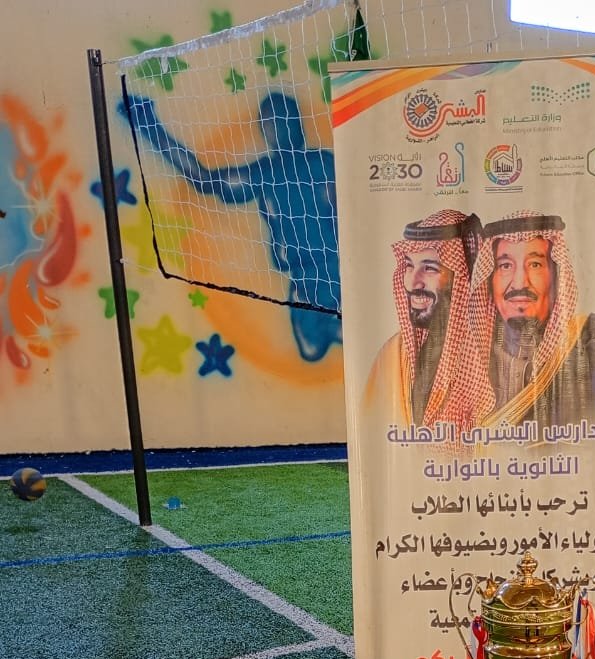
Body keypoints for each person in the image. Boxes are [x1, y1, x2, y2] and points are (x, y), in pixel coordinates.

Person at [123, 92, 341, 362]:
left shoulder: (293, 168)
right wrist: (150, 126)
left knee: (314, 345)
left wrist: (149, 125)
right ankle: (337, 326)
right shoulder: (287, 169)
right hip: (309, 274)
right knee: (311, 347)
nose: (279, 130)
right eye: (273, 124)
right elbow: (205, 180)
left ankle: (338, 326)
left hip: (322, 269)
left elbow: (204, 179)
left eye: (279, 123)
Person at [468, 212, 595, 434]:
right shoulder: (469, 359)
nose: (519, 282)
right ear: (489, 281)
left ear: (557, 276)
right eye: (505, 266)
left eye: (535, 264)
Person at [363, 210, 482, 435]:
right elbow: (370, 427)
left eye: (430, 268)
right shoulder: (393, 354)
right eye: (409, 266)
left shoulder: (487, 357)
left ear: (462, 276)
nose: (413, 283)